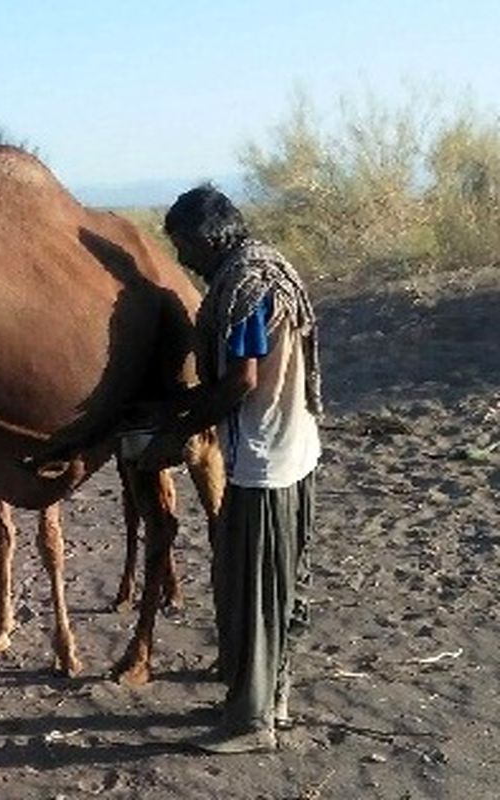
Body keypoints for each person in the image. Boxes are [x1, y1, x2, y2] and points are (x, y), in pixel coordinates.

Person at [139, 185, 321, 754]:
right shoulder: (274, 267)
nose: (183, 258)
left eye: (184, 244)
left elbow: (242, 380)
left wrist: (182, 426)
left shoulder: (244, 288)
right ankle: (276, 699)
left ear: (210, 237)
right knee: (282, 585)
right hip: (297, 449)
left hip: (263, 460)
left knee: (252, 591)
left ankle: (250, 723)